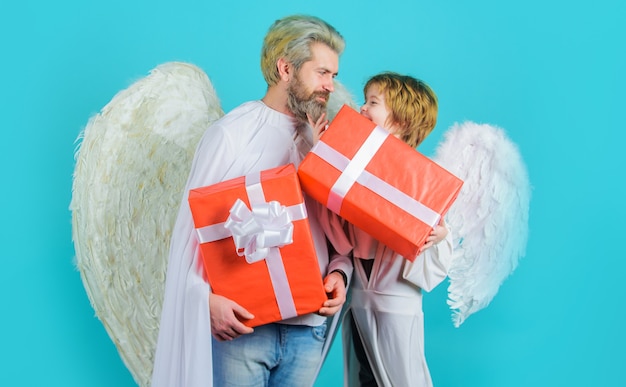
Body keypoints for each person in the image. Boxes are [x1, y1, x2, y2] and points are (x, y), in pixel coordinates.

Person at [151, 15, 352, 387]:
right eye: (322, 73)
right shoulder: (231, 136)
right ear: (286, 68)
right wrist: (205, 301)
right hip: (246, 329)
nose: (330, 86)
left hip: (308, 331)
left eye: (334, 76)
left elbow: (337, 233)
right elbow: (191, 237)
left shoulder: (326, 141)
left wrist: (340, 273)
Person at [311, 72, 453, 387]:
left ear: (401, 121)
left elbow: (437, 247)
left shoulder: (422, 180)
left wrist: (440, 237)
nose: (362, 108)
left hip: (396, 305)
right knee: (363, 377)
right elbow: (337, 233)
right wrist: (323, 157)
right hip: (358, 300)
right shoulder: (354, 172)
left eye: (372, 102)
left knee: (403, 378)